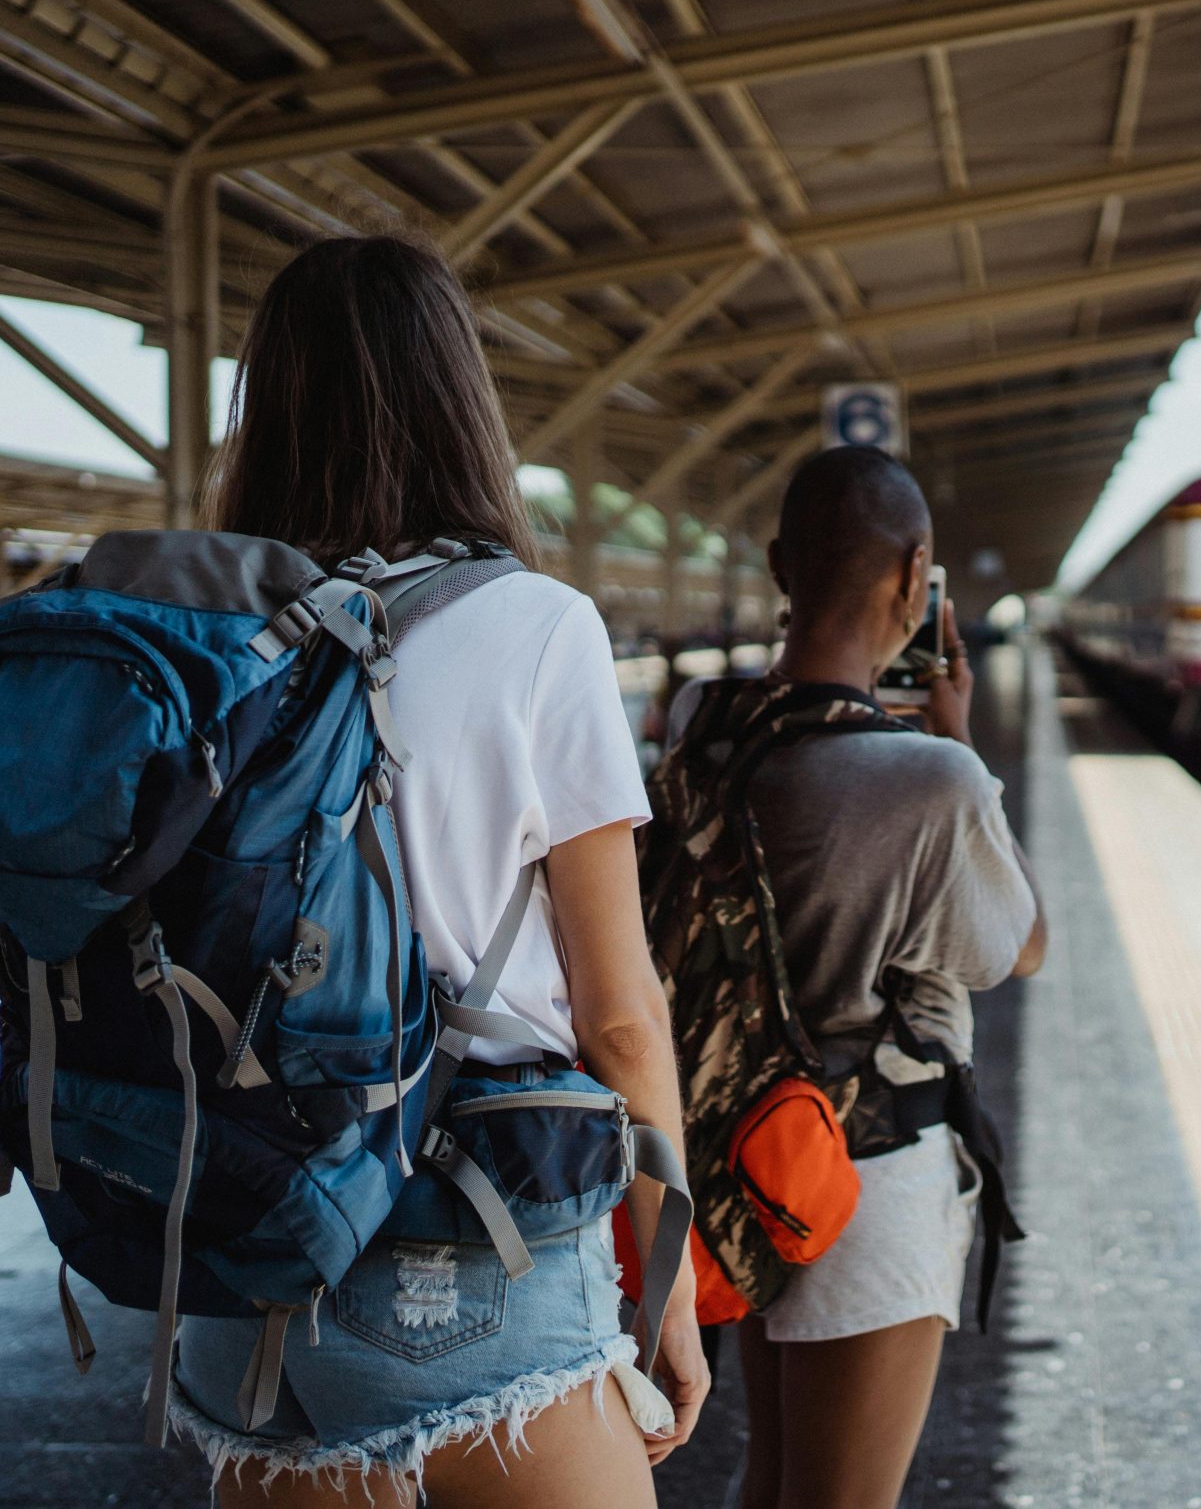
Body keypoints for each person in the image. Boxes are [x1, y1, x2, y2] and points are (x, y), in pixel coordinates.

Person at [170, 236, 709, 1507]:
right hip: (470, 1250)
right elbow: (621, 1015)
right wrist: (670, 1285)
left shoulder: (199, 635)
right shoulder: (536, 628)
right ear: (460, 403)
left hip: (239, 1255)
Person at [658, 446, 1045, 1509]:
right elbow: (1018, 946)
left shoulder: (702, 726)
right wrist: (963, 744)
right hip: (867, 1169)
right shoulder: (932, 777)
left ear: (781, 565)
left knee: (768, 1478)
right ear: (915, 576)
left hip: (735, 1152)